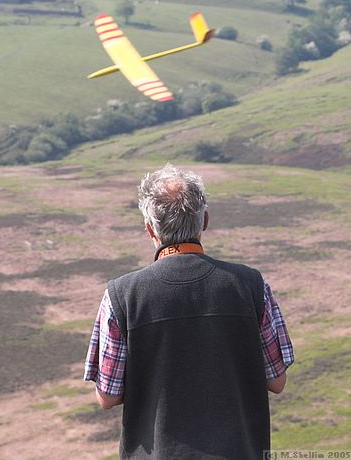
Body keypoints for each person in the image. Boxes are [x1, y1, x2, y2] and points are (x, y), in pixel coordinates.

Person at [84, 164, 293, 459]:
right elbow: (277, 381)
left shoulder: (121, 296)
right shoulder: (251, 285)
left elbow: (107, 396)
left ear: (149, 228)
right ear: (204, 220)